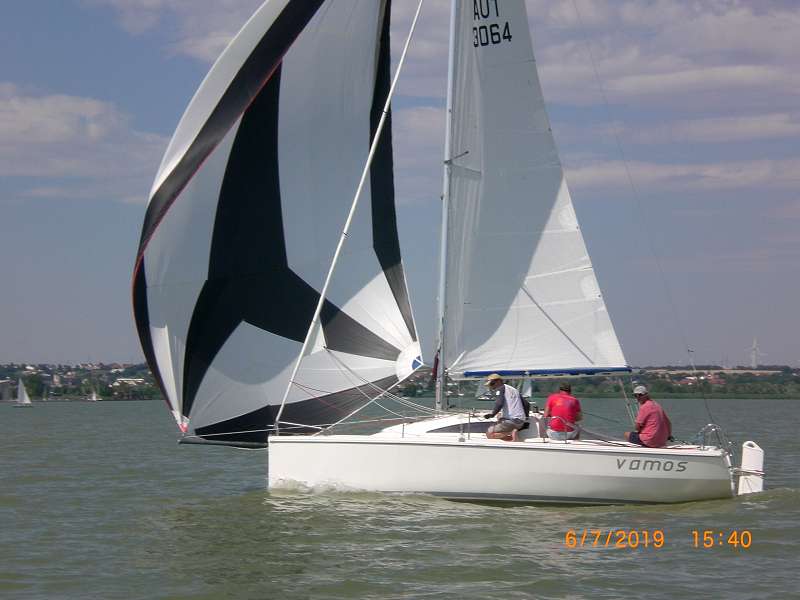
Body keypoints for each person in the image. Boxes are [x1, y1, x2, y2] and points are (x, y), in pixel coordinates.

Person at [482, 374, 526, 441]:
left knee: (489, 433)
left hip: (512, 421)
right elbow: (526, 404)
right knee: (500, 418)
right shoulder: (514, 389)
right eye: (490, 385)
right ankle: (512, 439)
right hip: (520, 421)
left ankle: (511, 432)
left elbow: (499, 403)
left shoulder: (500, 388)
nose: (492, 387)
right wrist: (525, 418)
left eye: (492, 384)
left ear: (499, 381)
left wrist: (492, 414)